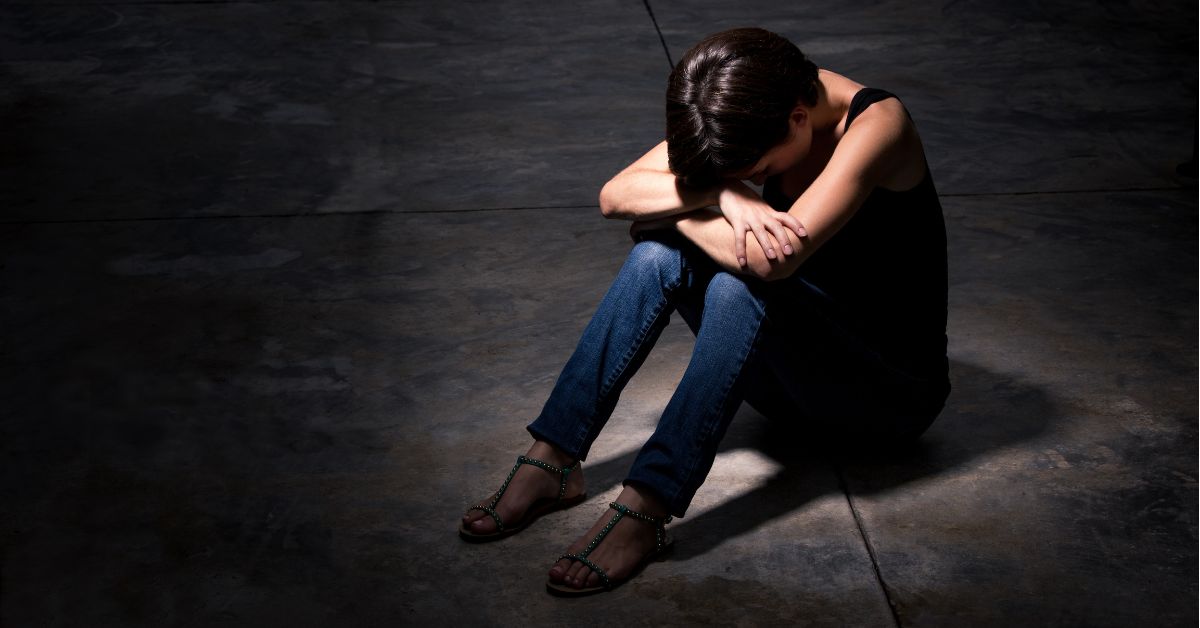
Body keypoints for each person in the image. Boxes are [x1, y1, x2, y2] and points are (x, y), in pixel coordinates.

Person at [459, 27, 950, 596]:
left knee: (729, 282)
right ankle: (553, 458)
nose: (754, 179)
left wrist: (678, 211)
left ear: (797, 116)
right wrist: (725, 195)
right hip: (793, 391)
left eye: (757, 170)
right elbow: (615, 195)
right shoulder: (750, 102)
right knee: (656, 257)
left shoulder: (877, 126)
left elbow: (771, 264)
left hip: (886, 402)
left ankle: (648, 504)